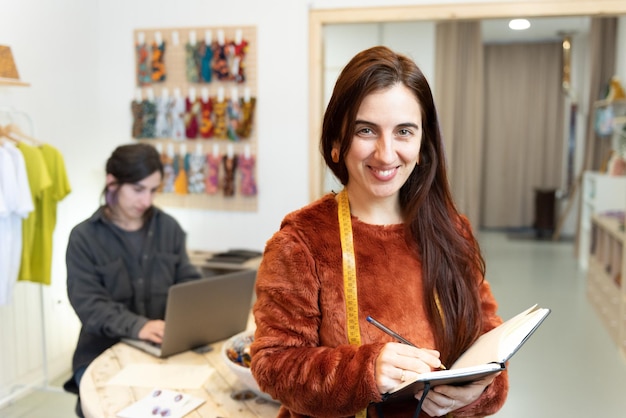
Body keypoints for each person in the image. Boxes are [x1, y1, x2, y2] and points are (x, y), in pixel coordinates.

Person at [250, 46, 508, 418]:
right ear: (338, 142)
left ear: (423, 146)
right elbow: (274, 365)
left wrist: (476, 393)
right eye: (366, 130)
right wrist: (365, 370)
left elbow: (490, 342)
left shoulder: (452, 231)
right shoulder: (301, 242)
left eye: (404, 131)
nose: (386, 154)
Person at [63, 143, 201, 416]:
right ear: (112, 182)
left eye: (153, 190)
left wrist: (204, 302)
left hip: (162, 348)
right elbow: (89, 305)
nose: (146, 201)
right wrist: (138, 326)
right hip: (101, 351)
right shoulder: (83, 238)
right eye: (138, 190)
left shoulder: (169, 227)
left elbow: (187, 283)